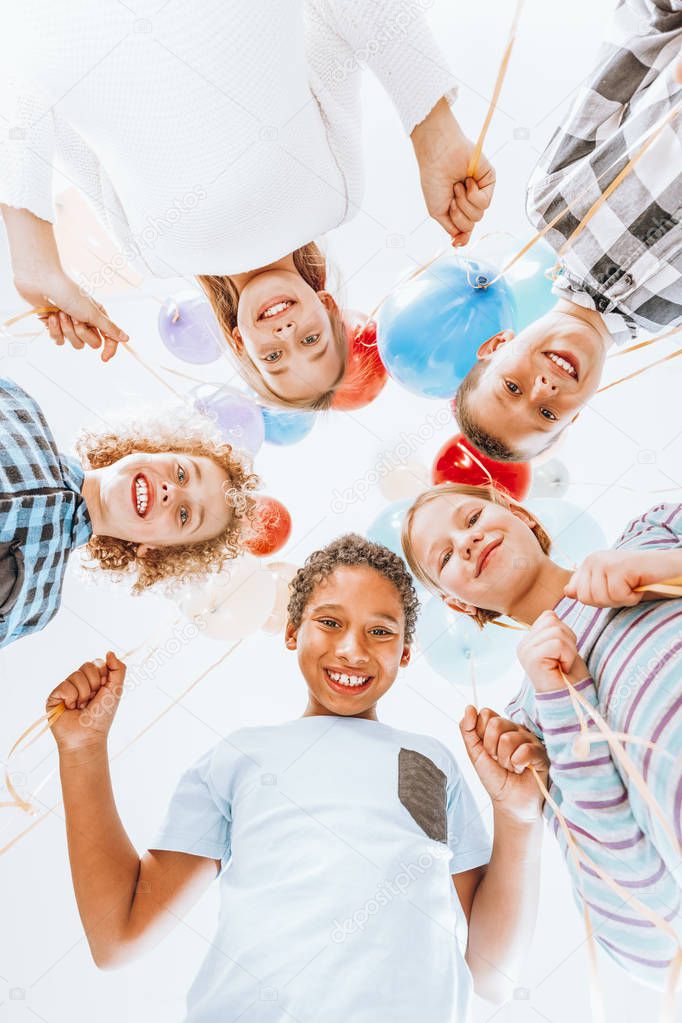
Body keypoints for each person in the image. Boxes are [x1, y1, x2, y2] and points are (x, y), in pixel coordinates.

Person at [47, 534, 548, 1020]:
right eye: (329, 622)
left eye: (380, 631)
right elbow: (118, 936)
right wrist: (83, 750)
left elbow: (491, 976)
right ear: (292, 631)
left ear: (405, 652)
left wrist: (518, 815)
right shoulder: (242, 758)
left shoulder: (423, 762)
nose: (352, 649)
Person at [0, 1, 495, 410]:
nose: (284, 331)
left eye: (274, 357)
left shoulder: (154, 256)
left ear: (241, 344)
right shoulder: (336, 196)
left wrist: (34, 261)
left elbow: (39, 102)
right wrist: (435, 133)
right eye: (310, 340)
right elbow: (338, 11)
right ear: (325, 306)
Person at [402, 482, 682, 986]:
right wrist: (561, 697)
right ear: (462, 606)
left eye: (470, 519)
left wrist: (667, 568)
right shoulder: (529, 730)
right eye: (445, 557)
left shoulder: (654, 532)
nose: (465, 542)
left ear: (521, 514)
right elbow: (649, 939)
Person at [453, 0, 682, 462]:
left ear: (497, 346)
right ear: (576, 416)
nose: (543, 388)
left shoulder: (553, 206)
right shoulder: (673, 316)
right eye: (547, 415)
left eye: (512, 387)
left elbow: (639, 29)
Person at [0, 376, 257, 648]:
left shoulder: (38, 604)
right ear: (150, 449)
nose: (172, 491)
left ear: (154, 550)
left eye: (184, 515)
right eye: (181, 474)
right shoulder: (18, 408)